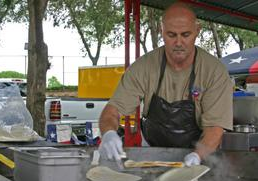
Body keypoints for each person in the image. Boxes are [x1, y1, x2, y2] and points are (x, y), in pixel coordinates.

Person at [98, 2, 233, 166]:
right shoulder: (144, 67)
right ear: (161, 31)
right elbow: (112, 110)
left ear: (197, 31)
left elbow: (215, 128)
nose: (178, 42)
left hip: (200, 155)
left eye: (185, 35)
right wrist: (109, 133)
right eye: (171, 35)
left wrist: (197, 156)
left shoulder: (214, 71)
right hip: (153, 155)